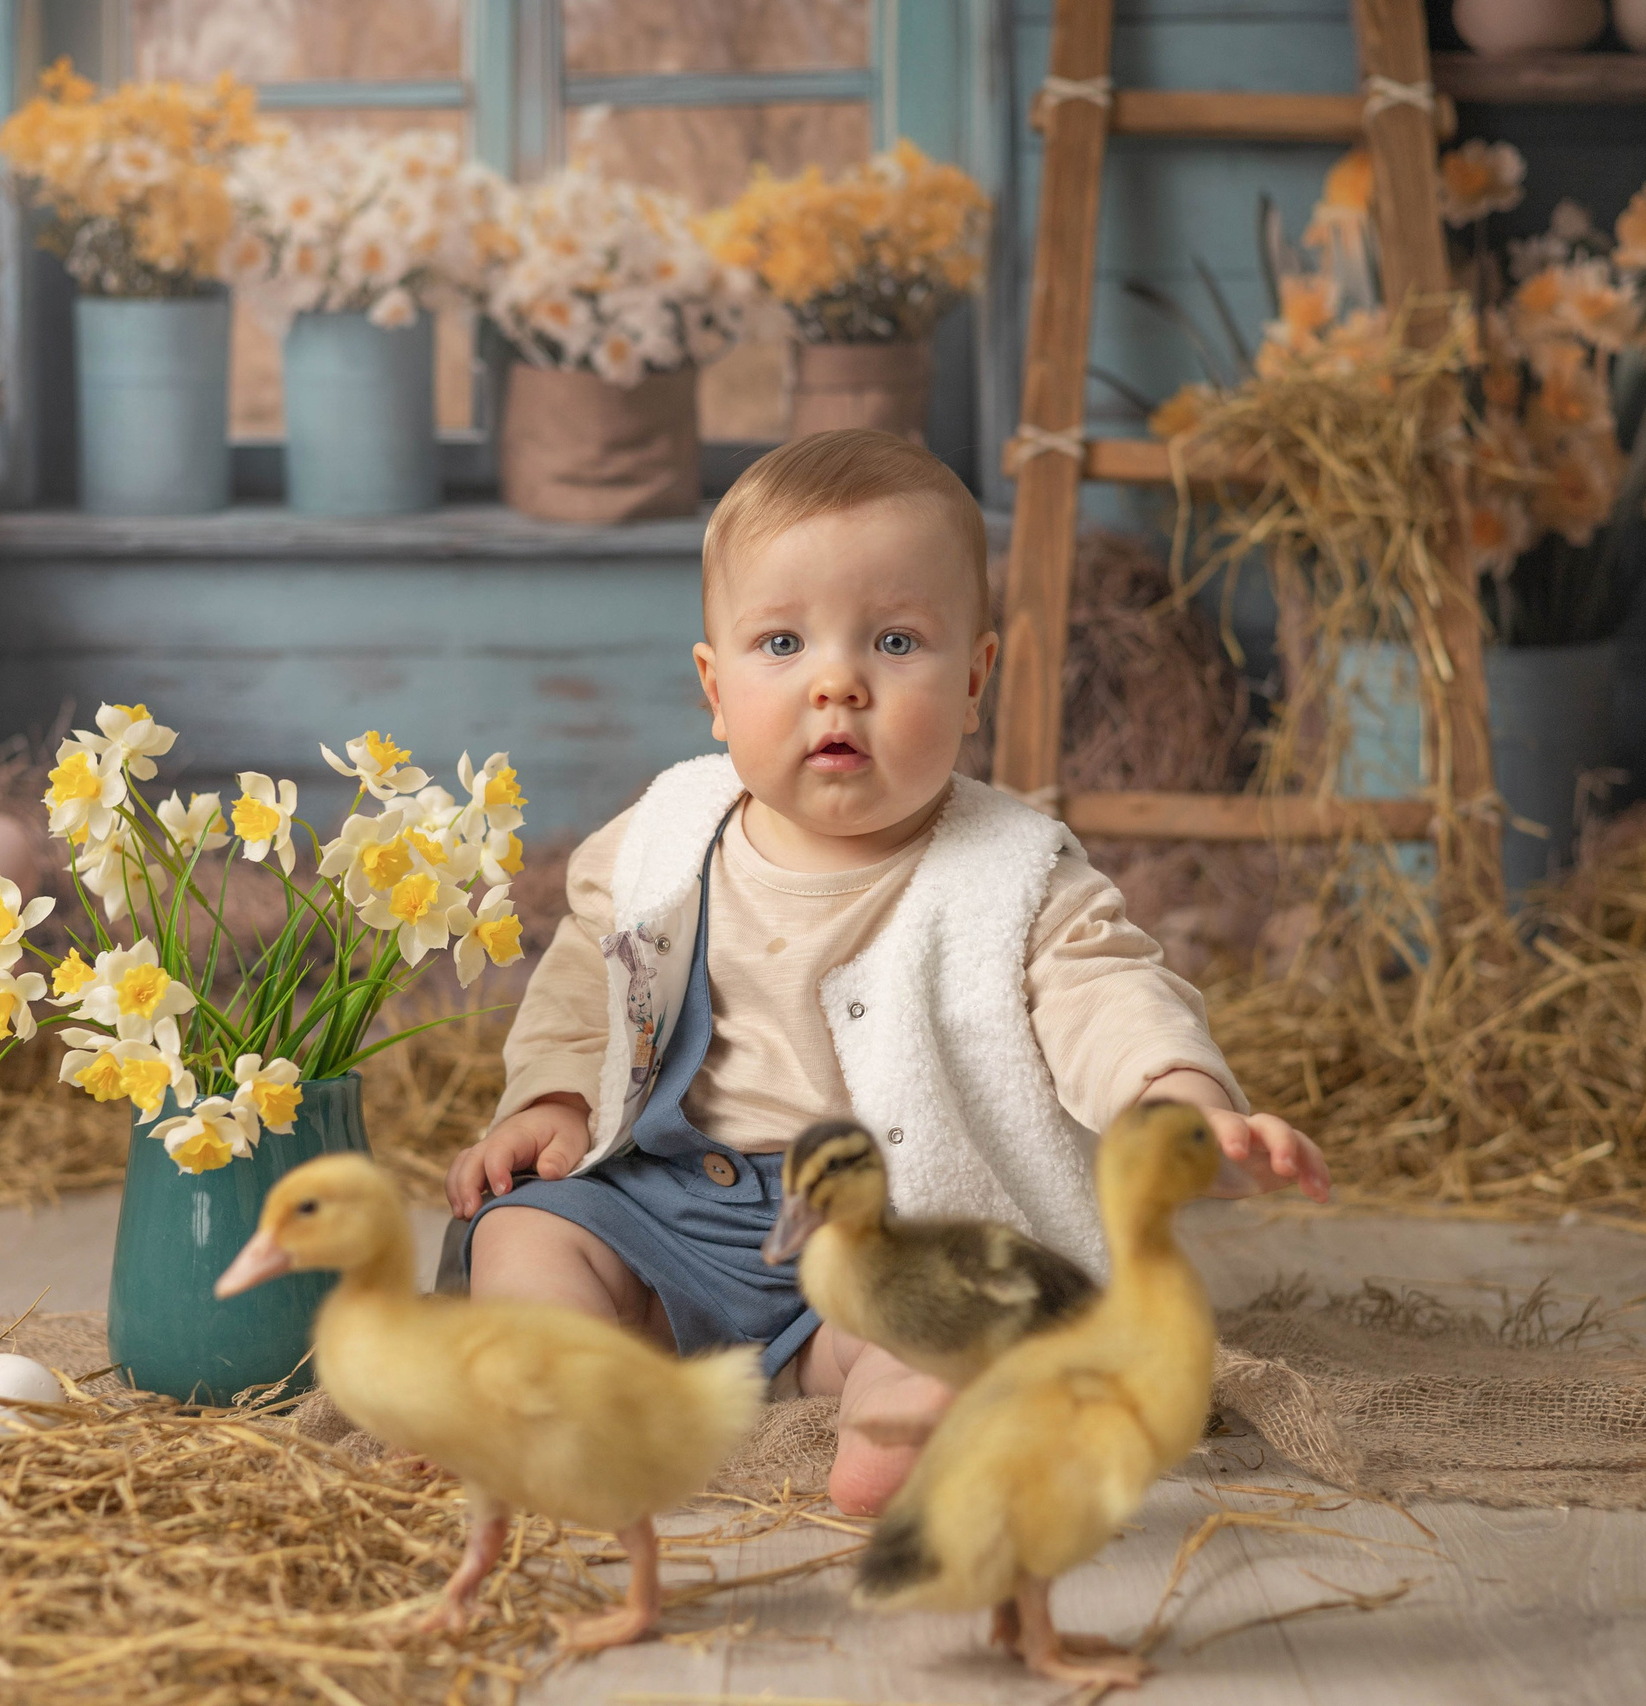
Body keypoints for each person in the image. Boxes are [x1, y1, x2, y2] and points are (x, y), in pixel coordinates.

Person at [443, 429, 1330, 1516]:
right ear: (714, 689)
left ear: (974, 679)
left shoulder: (1011, 870)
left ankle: (893, 1414)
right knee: (530, 1230)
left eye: (896, 641)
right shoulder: (667, 834)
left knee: (934, 1327)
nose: (836, 684)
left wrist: (1175, 1098)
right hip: (667, 1201)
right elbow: (590, 977)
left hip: (887, 1239)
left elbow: (1106, 991)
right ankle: (558, 1392)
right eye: (781, 642)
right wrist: (548, 1095)